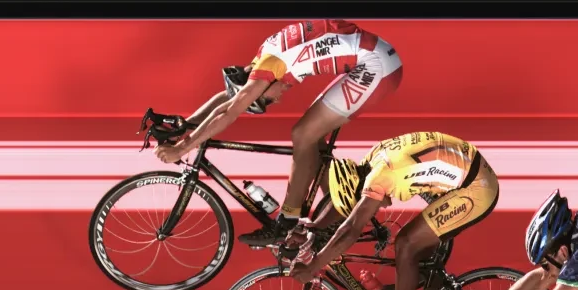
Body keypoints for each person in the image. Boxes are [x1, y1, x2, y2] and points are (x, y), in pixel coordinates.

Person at [155, 20, 404, 247]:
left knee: (302, 134)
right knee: (311, 137)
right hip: (371, 56)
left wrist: (182, 148)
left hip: (376, 66)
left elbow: (229, 110)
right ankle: (338, 210)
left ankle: (286, 221)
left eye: (266, 101)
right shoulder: (264, 59)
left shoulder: (270, 67)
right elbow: (230, 99)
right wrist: (185, 127)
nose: (278, 99)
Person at [288, 131, 498, 290]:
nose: (380, 208)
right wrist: (314, 227)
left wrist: (312, 267)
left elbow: (350, 229)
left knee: (406, 245)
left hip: (475, 189)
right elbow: (347, 205)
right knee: (418, 255)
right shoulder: (369, 162)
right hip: (466, 168)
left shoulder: (381, 178)